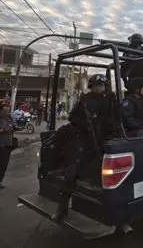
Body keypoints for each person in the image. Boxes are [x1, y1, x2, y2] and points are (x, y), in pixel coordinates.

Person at [51, 74, 116, 222]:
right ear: (91, 86)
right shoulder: (84, 100)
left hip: (103, 140)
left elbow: (114, 119)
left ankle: (103, 211)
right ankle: (62, 208)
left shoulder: (109, 100)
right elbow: (72, 117)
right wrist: (84, 125)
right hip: (85, 140)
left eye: (101, 85)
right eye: (96, 85)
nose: (99, 87)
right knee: (72, 171)